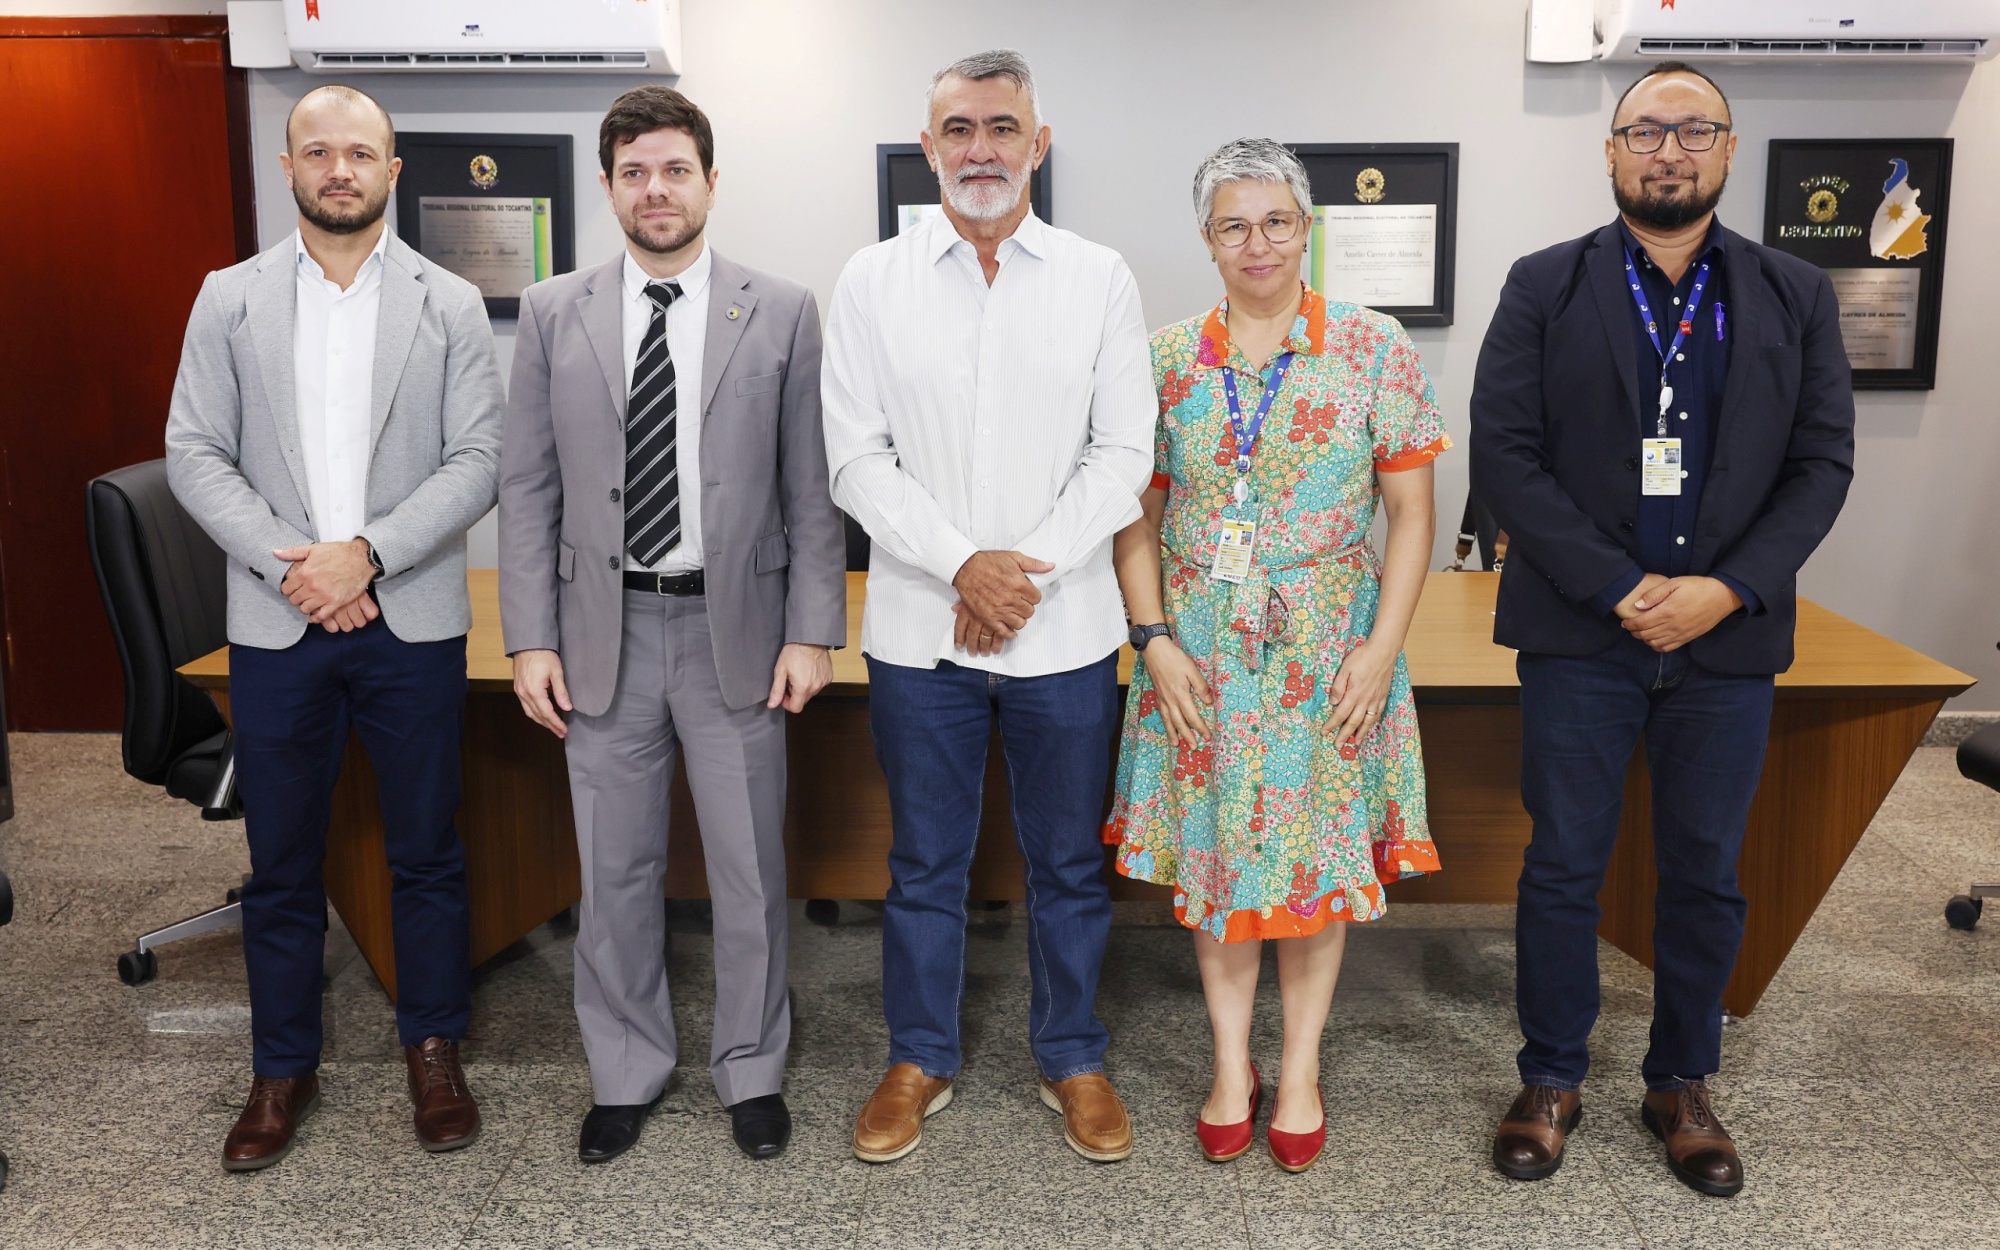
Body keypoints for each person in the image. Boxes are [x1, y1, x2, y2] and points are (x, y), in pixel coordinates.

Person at [1471, 61, 1854, 1197]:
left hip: (1725, 644)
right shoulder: (1542, 284)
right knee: (1561, 865)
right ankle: (1549, 1075)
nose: (1668, 149)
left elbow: (1820, 463)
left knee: (1701, 870)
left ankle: (1680, 1078)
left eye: (1694, 130)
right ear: (1609, 151)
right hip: (1579, 636)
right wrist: (1617, 587)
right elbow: (1505, 453)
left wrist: (1722, 588)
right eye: (1645, 129)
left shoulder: (1793, 291)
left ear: (1727, 152)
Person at [499, 85, 846, 1165]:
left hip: (732, 630)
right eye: (634, 172)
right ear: (608, 186)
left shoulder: (780, 308)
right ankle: (627, 1067)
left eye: (675, 169)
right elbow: (528, 484)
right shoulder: (554, 309)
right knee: (613, 873)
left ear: (708, 180)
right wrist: (529, 636)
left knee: (746, 871)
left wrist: (812, 629)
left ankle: (749, 1066)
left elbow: (810, 490)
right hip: (601, 633)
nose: (656, 190)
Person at [822, 49, 1154, 1165]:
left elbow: (1122, 457)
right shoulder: (870, 280)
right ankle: (918, 1054)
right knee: (924, 861)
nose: (979, 149)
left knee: (1066, 860)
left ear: (1037, 145)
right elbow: (854, 461)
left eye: (1001, 128)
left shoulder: (1098, 276)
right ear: (928, 149)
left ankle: (1071, 1052)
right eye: (957, 129)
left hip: (1063, 633)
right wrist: (964, 562)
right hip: (923, 632)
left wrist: (1023, 571)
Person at [165, 84, 502, 1171]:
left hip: (407, 615)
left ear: (393, 170)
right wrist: (298, 563)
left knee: (427, 851)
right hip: (277, 619)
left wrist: (368, 555)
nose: (341, 169)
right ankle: (280, 1068)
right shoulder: (228, 299)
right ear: (290, 165)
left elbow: (480, 460)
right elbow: (193, 452)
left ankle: (433, 1045)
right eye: (321, 151)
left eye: (362, 152)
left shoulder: (448, 301)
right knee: (280, 861)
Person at [1105, 138, 1448, 1174]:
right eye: (1231, 224)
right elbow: (1134, 518)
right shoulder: (1164, 359)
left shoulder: (1373, 347)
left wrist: (1380, 651)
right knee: (1215, 861)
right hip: (1199, 653)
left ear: (1307, 228)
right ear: (1205, 238)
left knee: (1314, 866)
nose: (1255, 242)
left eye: (1275, 221)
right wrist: (1152, 639)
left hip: (1327, 654)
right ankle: (1226, 1064)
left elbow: (1410, 514)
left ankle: (1295, 1068)